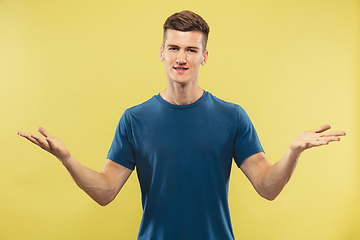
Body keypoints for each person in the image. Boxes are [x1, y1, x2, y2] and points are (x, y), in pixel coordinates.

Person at [17, 10, 345, 240]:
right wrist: (67, 159)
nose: (181, 58)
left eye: (191, 49)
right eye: (174, 48)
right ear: (161, 52)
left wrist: (293, 151)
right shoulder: (135, 119)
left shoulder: (232, 117)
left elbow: (267, 186)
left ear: (204, 56)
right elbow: (105, 191)